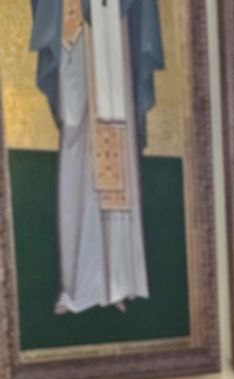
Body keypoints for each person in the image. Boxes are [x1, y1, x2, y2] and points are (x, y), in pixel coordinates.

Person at [30, 0, 162, 314]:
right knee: (76, 140)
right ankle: (78, 285)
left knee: (118, 142)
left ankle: (120, 281)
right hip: (73, 29)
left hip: (112, 28)